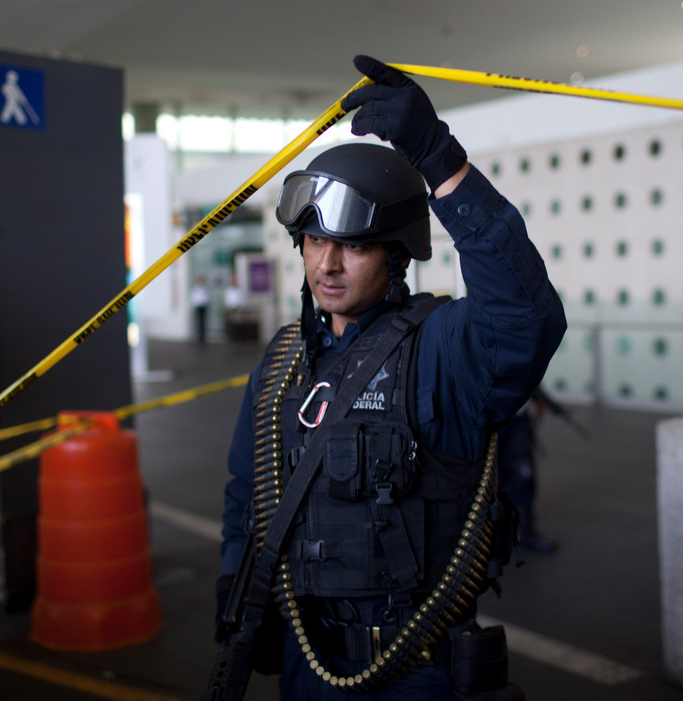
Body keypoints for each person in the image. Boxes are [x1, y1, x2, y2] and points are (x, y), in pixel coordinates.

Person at [215, 55, 565, 700]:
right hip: (305, 658)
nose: (327, 263)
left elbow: (525, 317)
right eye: (313, 242)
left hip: (413, 666)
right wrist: (237, 586)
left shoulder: (442, 349)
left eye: (353, 245)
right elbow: (249, 489)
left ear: (398, 252)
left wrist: (440, 159)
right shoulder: (284, 359)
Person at [496, 387, 580, 554]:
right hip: (484, 415)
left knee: (523, 475)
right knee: (485, 479)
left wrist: (539, 399)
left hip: (517, 417)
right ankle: (489, 535)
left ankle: (525, 533)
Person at [191, 274, 211, 344]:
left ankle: (203, 336)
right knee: (198, 322)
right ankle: (198, 336)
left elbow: (207, 297)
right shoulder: (196, 288)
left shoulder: (204, 288)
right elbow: (193, 298)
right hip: (198, 307)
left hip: (203, 306)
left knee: (203, 322)